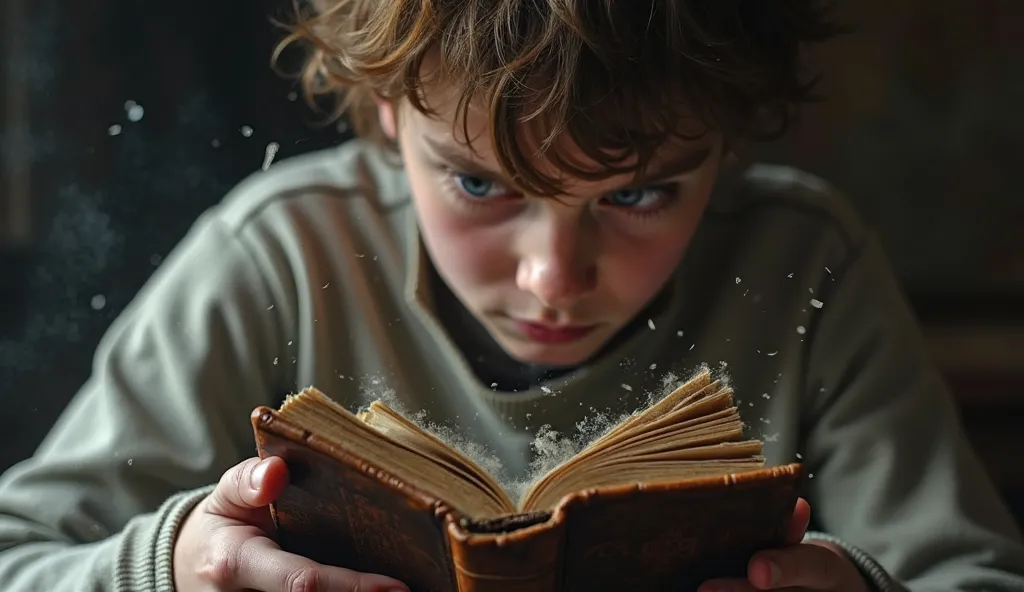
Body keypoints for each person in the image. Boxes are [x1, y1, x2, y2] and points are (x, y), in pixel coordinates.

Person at [1, 0, 1023, 590]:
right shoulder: (274, 258)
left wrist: (864, 586)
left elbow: (970, 578)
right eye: (480, 184)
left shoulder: (808, 266)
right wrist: (170, 564)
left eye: (639, 192)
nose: (550, 277)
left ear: (728, 143)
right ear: (389, 116)